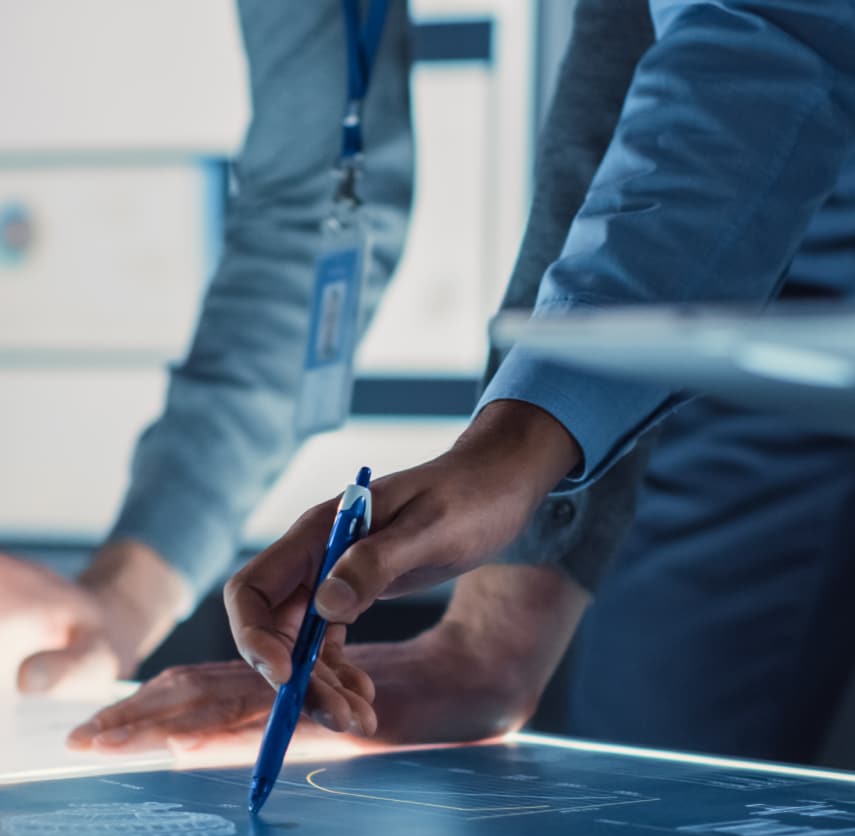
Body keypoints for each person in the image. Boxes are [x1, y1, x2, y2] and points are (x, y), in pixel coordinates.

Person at [71, 0, 855, 763]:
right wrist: (126, 593)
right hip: (695, 295)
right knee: (655, 766)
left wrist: (515, 455)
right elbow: (319, 180)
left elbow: (761, 41)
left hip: (765, 230)